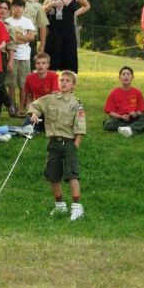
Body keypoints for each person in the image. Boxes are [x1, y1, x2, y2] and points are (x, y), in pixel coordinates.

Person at [29, 71, 86, 221]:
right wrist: (34, 114)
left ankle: (77, 207)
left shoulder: (76, 104)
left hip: (68, 143)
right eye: (62, 80)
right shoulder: (50, 99)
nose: (64, 83)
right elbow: (35, 105)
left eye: (68, 81)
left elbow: (80, 127)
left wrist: (75, 145)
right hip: (53, 142)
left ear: (73, 85)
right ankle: (60, 206)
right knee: (53, 175)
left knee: (72, 174)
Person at [43, 0, 90, 73]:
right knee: (52, 63)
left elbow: (87, 6)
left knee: (70, 63)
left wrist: (76, 14)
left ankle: (68, 88)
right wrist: (52, 4)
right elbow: (42, 10)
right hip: (54, 32)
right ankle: (51, 88)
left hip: (69, 33)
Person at [103, 66, 144, 137]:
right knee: (108, 124)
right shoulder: (114, 93)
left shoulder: (137, 92)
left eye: (128, 74)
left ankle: (129, 129)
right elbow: (110, 112)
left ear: (132, 77)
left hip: (134, 118)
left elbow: (141, 110)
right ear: (119, 78)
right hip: (120, 119)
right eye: (123, 74)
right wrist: (121, 116)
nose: (126, 76)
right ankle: (140, 127)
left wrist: (135, 114)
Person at [6, 0, 36, 117]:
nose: (17, 9)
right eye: (15, 6)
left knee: (23, 84)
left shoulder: (27, 22)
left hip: (25, 56)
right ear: (11, 8)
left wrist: (15, 38)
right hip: (11, 57)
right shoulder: (7, 21)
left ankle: (22, 107)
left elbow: (31, 37)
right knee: (12, 84)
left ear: (23, 8)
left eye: (20, 6)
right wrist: (21, 38)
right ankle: (12, 107)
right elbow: (6, 39)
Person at [0, 0, 17, 118]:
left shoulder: (9, 26)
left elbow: (11, 46)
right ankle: (9, 105)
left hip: (2, 57)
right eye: (0, 7)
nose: (2, 10)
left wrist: (11, 61)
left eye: (5, 8)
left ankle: (0, 111)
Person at [24, 52, 59, 131]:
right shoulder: (29, 78)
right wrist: (31, 109)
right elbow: (29, 96)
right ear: (35, 65)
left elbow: (54, 96)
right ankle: (39, 124)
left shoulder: (54, 77)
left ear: (48, 65)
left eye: (43, 63)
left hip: (51, 107)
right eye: (38, 63)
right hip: (37, 108)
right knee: (27, 127)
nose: (40, 65)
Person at [19, 0, 49, 67]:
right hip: (16, 40)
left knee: (31, 67)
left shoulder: (38, 6)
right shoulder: (12, 4)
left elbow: (42, 26)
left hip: (31, 41)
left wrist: (42, 45)